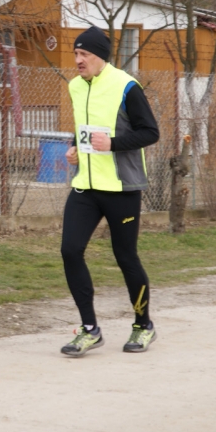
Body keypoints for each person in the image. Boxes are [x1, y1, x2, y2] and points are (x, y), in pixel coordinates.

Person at [60, 26, 160, 358]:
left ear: (100, 56)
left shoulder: (126, 86)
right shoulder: (75, 86)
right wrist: (75, 148)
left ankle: (143, 324)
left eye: (84, 54)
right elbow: (82, 128)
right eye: (75, 54)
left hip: (121, 188)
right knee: (70, 251)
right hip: (86, 186)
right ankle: (89, 330)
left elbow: (150, 132)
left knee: (126, 257)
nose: (78, 60)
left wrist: (114, 144)